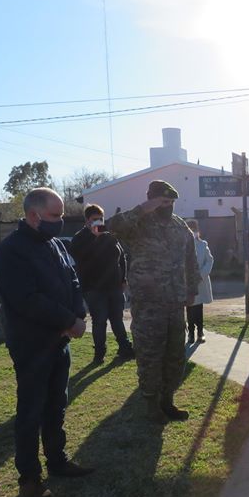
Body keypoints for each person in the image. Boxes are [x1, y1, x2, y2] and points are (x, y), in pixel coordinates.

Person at [0, 187, 92, 497]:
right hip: (32, 344)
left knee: (56, 405)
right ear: (33, 215)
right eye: (55, 215)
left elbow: (73, 280)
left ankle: (57, 460)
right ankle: (29, 479)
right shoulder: (11, 251)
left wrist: (78, 314)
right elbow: (27, 299)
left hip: (59, 341)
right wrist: (68, 321)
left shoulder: (56, 245)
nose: (60, 220)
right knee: (31, 411)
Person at [109, 180, 198, 421]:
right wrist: (142, 209)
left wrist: (192, 289)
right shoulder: (138, 223)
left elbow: (191, 258)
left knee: (175, 355)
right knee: (150, 354)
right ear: (151, 200)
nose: (168, 206)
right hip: (148, 303)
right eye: (163, 202)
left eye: (171, 202)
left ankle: (167, 400)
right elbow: (111, 227)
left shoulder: (179, 226)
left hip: (175, 302)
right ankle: (151, 403)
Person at [70, 203, 135, 365]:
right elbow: (80, 257)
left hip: (114, 286)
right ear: (87, 220)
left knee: (117, 319)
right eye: (95, 219)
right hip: (93, 288)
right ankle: (99, 353)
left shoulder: (109, 235)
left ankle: (125, 348)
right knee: (99, 321)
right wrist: (95, 238)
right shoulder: (80, 238)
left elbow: (121, 257)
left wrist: (123, 279)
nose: (98, 222)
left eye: (101, 218)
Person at [185, 219, 214, 345]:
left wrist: (201, 274)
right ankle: (191, 333)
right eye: (190, 229)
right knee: (190, 308)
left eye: (195, 229)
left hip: (201, 281)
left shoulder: (202, 244)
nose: (193, 232)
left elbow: (209, 260)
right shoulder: (183, 246)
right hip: (188, 281)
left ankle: (200, 332)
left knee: (199, 308)